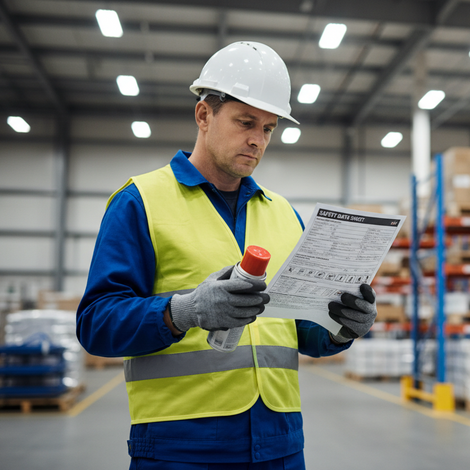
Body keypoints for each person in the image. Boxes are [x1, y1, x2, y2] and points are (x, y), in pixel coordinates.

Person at [76, 41, 377, 470]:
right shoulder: (140, 201)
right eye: (245, 122)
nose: (257, 140)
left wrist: (342, 327)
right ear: (204, 115)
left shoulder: (283, 214)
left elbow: (299, 331)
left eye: (269, 128)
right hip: (181, 445)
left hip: (281, 443)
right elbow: (95, 323)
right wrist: (183, 311)